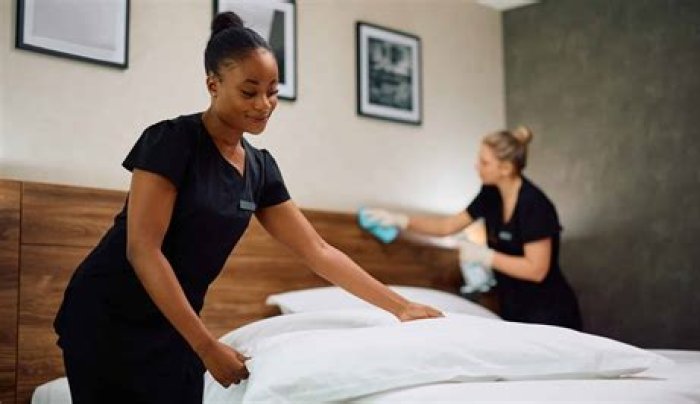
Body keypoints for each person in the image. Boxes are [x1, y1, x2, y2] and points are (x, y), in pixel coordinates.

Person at [53, 12, 442, 404]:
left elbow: (318, 251)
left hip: (176, 325)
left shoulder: (260, 168)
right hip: (108, 316)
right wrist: (206, 346)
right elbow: (143, 250)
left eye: (272, 91)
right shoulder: (171, 141)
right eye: (249, 91)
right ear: (213, 85)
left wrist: (402, 307)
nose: (264, 104)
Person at [365, 126, 582, 331]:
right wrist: (401, 220)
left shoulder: (534, 204)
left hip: (549, 313)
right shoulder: (490, 194)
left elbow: (536, 270)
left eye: (484, 162)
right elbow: (447, 226)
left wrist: (486, 257)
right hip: (514, 308)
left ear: (506, 169)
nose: (476, 166)